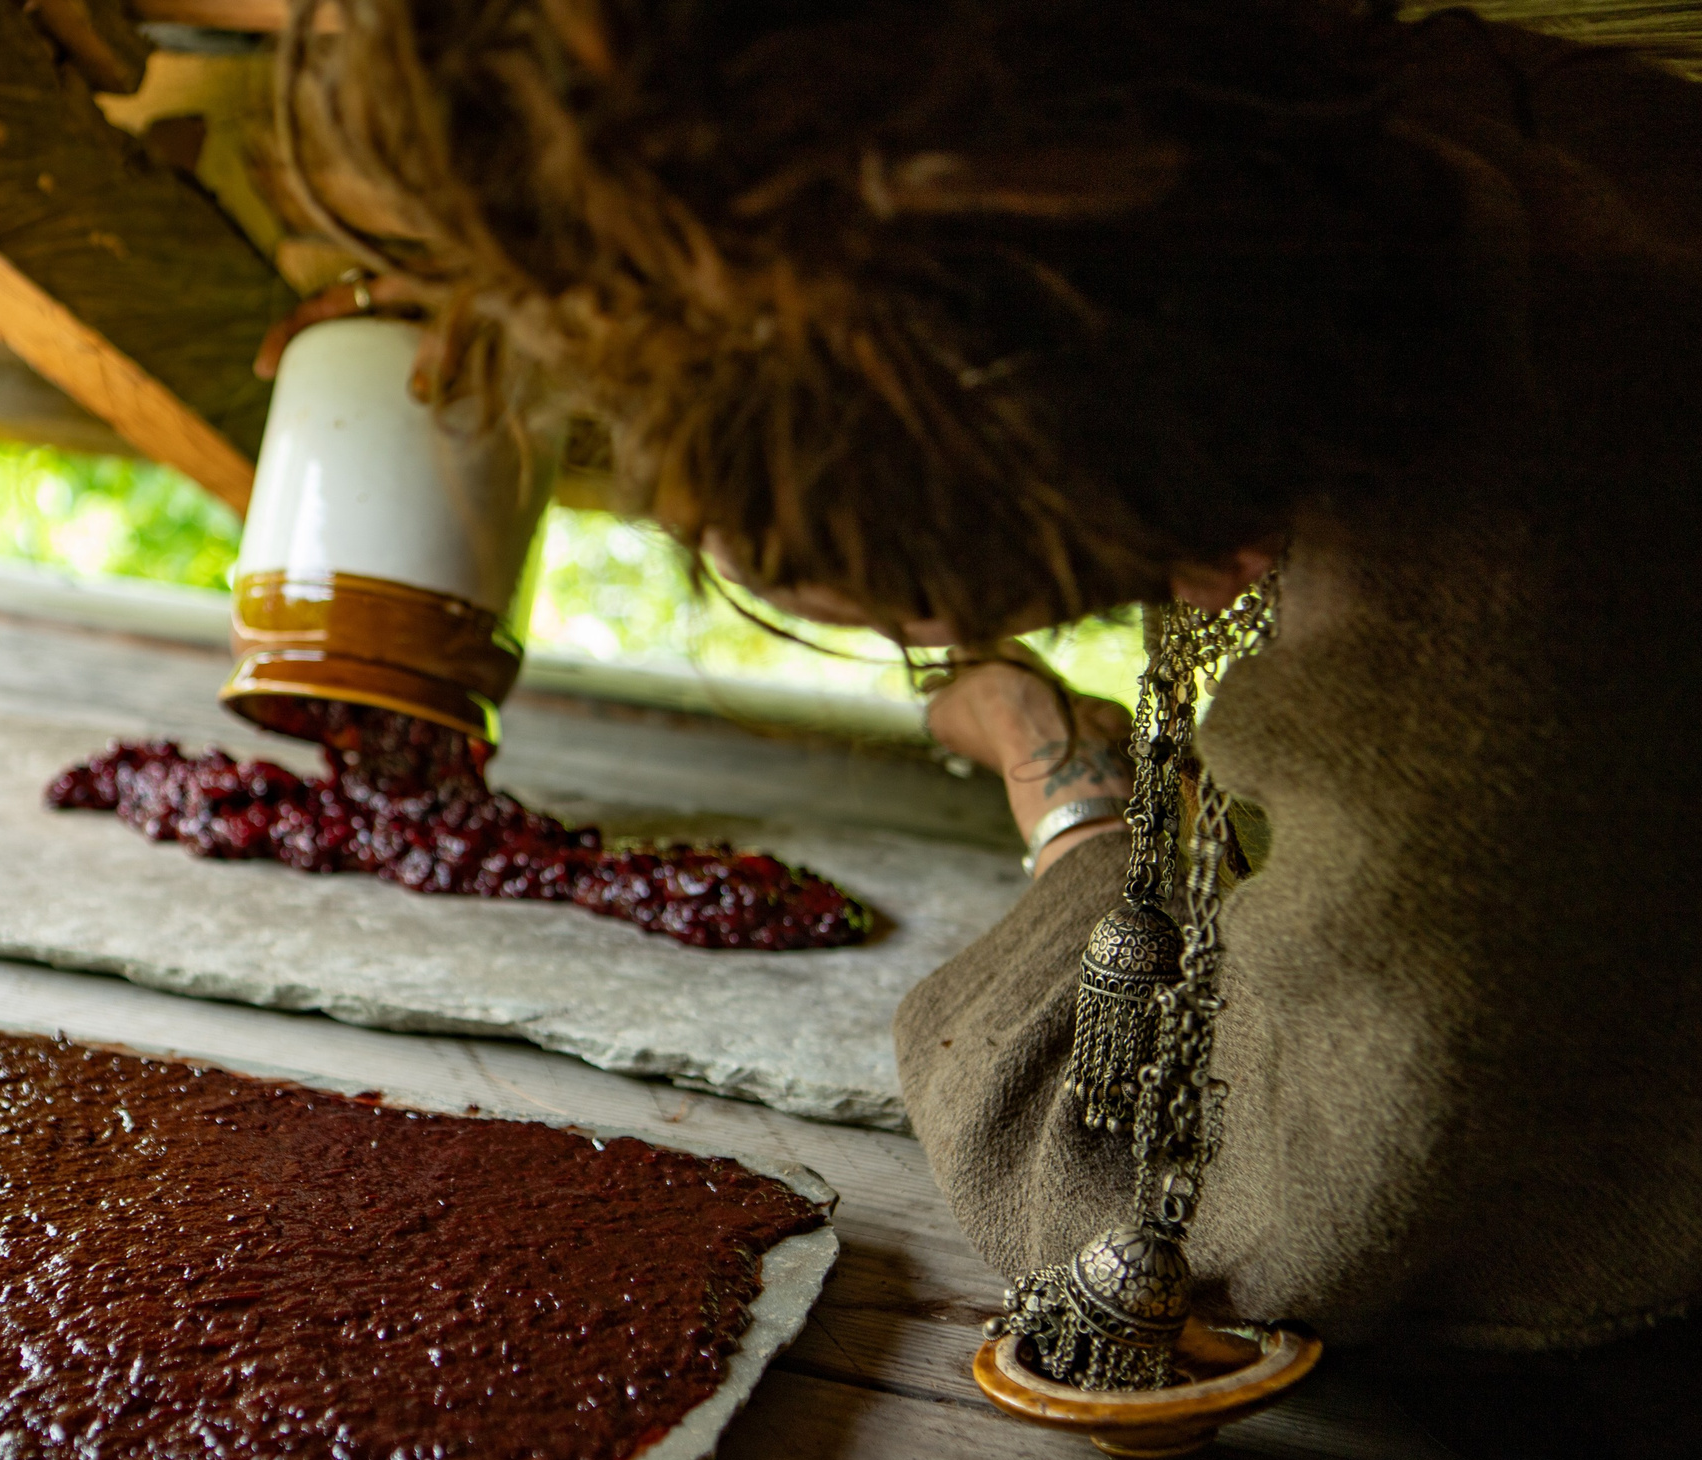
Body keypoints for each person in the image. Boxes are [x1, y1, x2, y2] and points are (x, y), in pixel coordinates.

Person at [272, 0, 1702, 1351]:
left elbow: (1160, 1215)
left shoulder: (1525, 582)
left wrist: (1056, 784)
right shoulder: (1430, 153)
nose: (1201, 595)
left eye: (1137, 572)